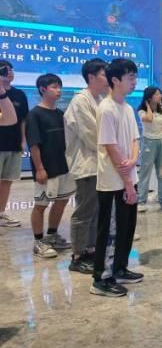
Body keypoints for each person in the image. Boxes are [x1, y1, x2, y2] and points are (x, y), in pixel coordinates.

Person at [91, 58, 143, 298]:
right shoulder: (106, 109)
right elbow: (112, 149)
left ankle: (119, 268)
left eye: (135, 77)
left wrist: (133, 160)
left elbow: (134, 140)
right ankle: (101, 279)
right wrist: (127, 183)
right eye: (130, 77)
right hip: (113, 182)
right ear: (115, 80)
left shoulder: (128, 108)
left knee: (126, 227)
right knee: (110, 231)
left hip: (129, 177)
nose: (134, 82)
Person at [65, 58, 109, 273]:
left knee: (96, 211)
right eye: (104, 74)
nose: (108, 79)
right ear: (91, 77)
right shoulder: (80, 101)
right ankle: (77, 256)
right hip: (87, 165)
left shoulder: (99, 99)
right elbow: (92, 135)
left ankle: (90, 250)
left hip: (99, 164)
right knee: (84, 212)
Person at [26, 74, 75, 258]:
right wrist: (39, 168)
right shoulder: (34, 115)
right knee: (41, 204)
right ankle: (38, 242)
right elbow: (34, 144)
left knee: (62, 201)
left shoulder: (60, 114)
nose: (58, 90)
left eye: (59, 86)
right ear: (42, 89)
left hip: (63, 167)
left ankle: (52, 236)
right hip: (46, 169)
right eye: (54, 87)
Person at [0, 60, 28, 228]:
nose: (9, 72)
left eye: (11, 69)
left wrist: (22, 141)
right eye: (5, 70)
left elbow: (22, 120)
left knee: (8, 180)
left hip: (13, 143)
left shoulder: (19, 95)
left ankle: (1, 213)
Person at [137, 87, 162, 211]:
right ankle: (141, 201)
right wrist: (147, 105)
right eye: (157, 94)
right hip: (148, 142)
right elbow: (149, 119)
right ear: (149, 97)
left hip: (161, 142)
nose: (160, 95)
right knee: (145, 172)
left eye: (160, 93)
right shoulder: (142, 111)